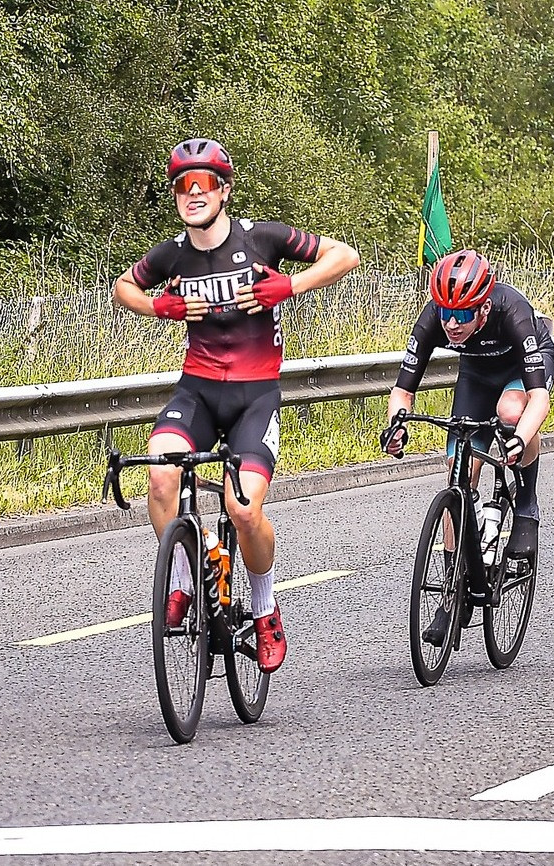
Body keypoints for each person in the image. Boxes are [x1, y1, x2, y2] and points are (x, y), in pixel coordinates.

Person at [111, 138, 360, 673]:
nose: (193, 194)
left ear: (223, 190)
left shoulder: (261, 238)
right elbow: (121, 287)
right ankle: (182, 583)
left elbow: (346, 255)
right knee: (160, 473)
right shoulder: (174, 253)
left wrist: (288, 286)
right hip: (197, 391)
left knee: (242, 509)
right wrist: (160, 305)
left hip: (256, 395)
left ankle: (266, 608)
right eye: (182, 185)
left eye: (203, 184)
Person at [382, 249, 554, 647]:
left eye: (463, 315)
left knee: (511, 411)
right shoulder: (434, 319)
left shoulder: (512, 311)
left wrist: (518, 437)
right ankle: (452, 590)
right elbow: (402, 390)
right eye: (446, 313)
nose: (452, 324)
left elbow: (539, 401)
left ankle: (526, 505)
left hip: (524, 370)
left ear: (484, 307)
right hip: (476, 375)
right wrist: (396, 425)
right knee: (458, 472)